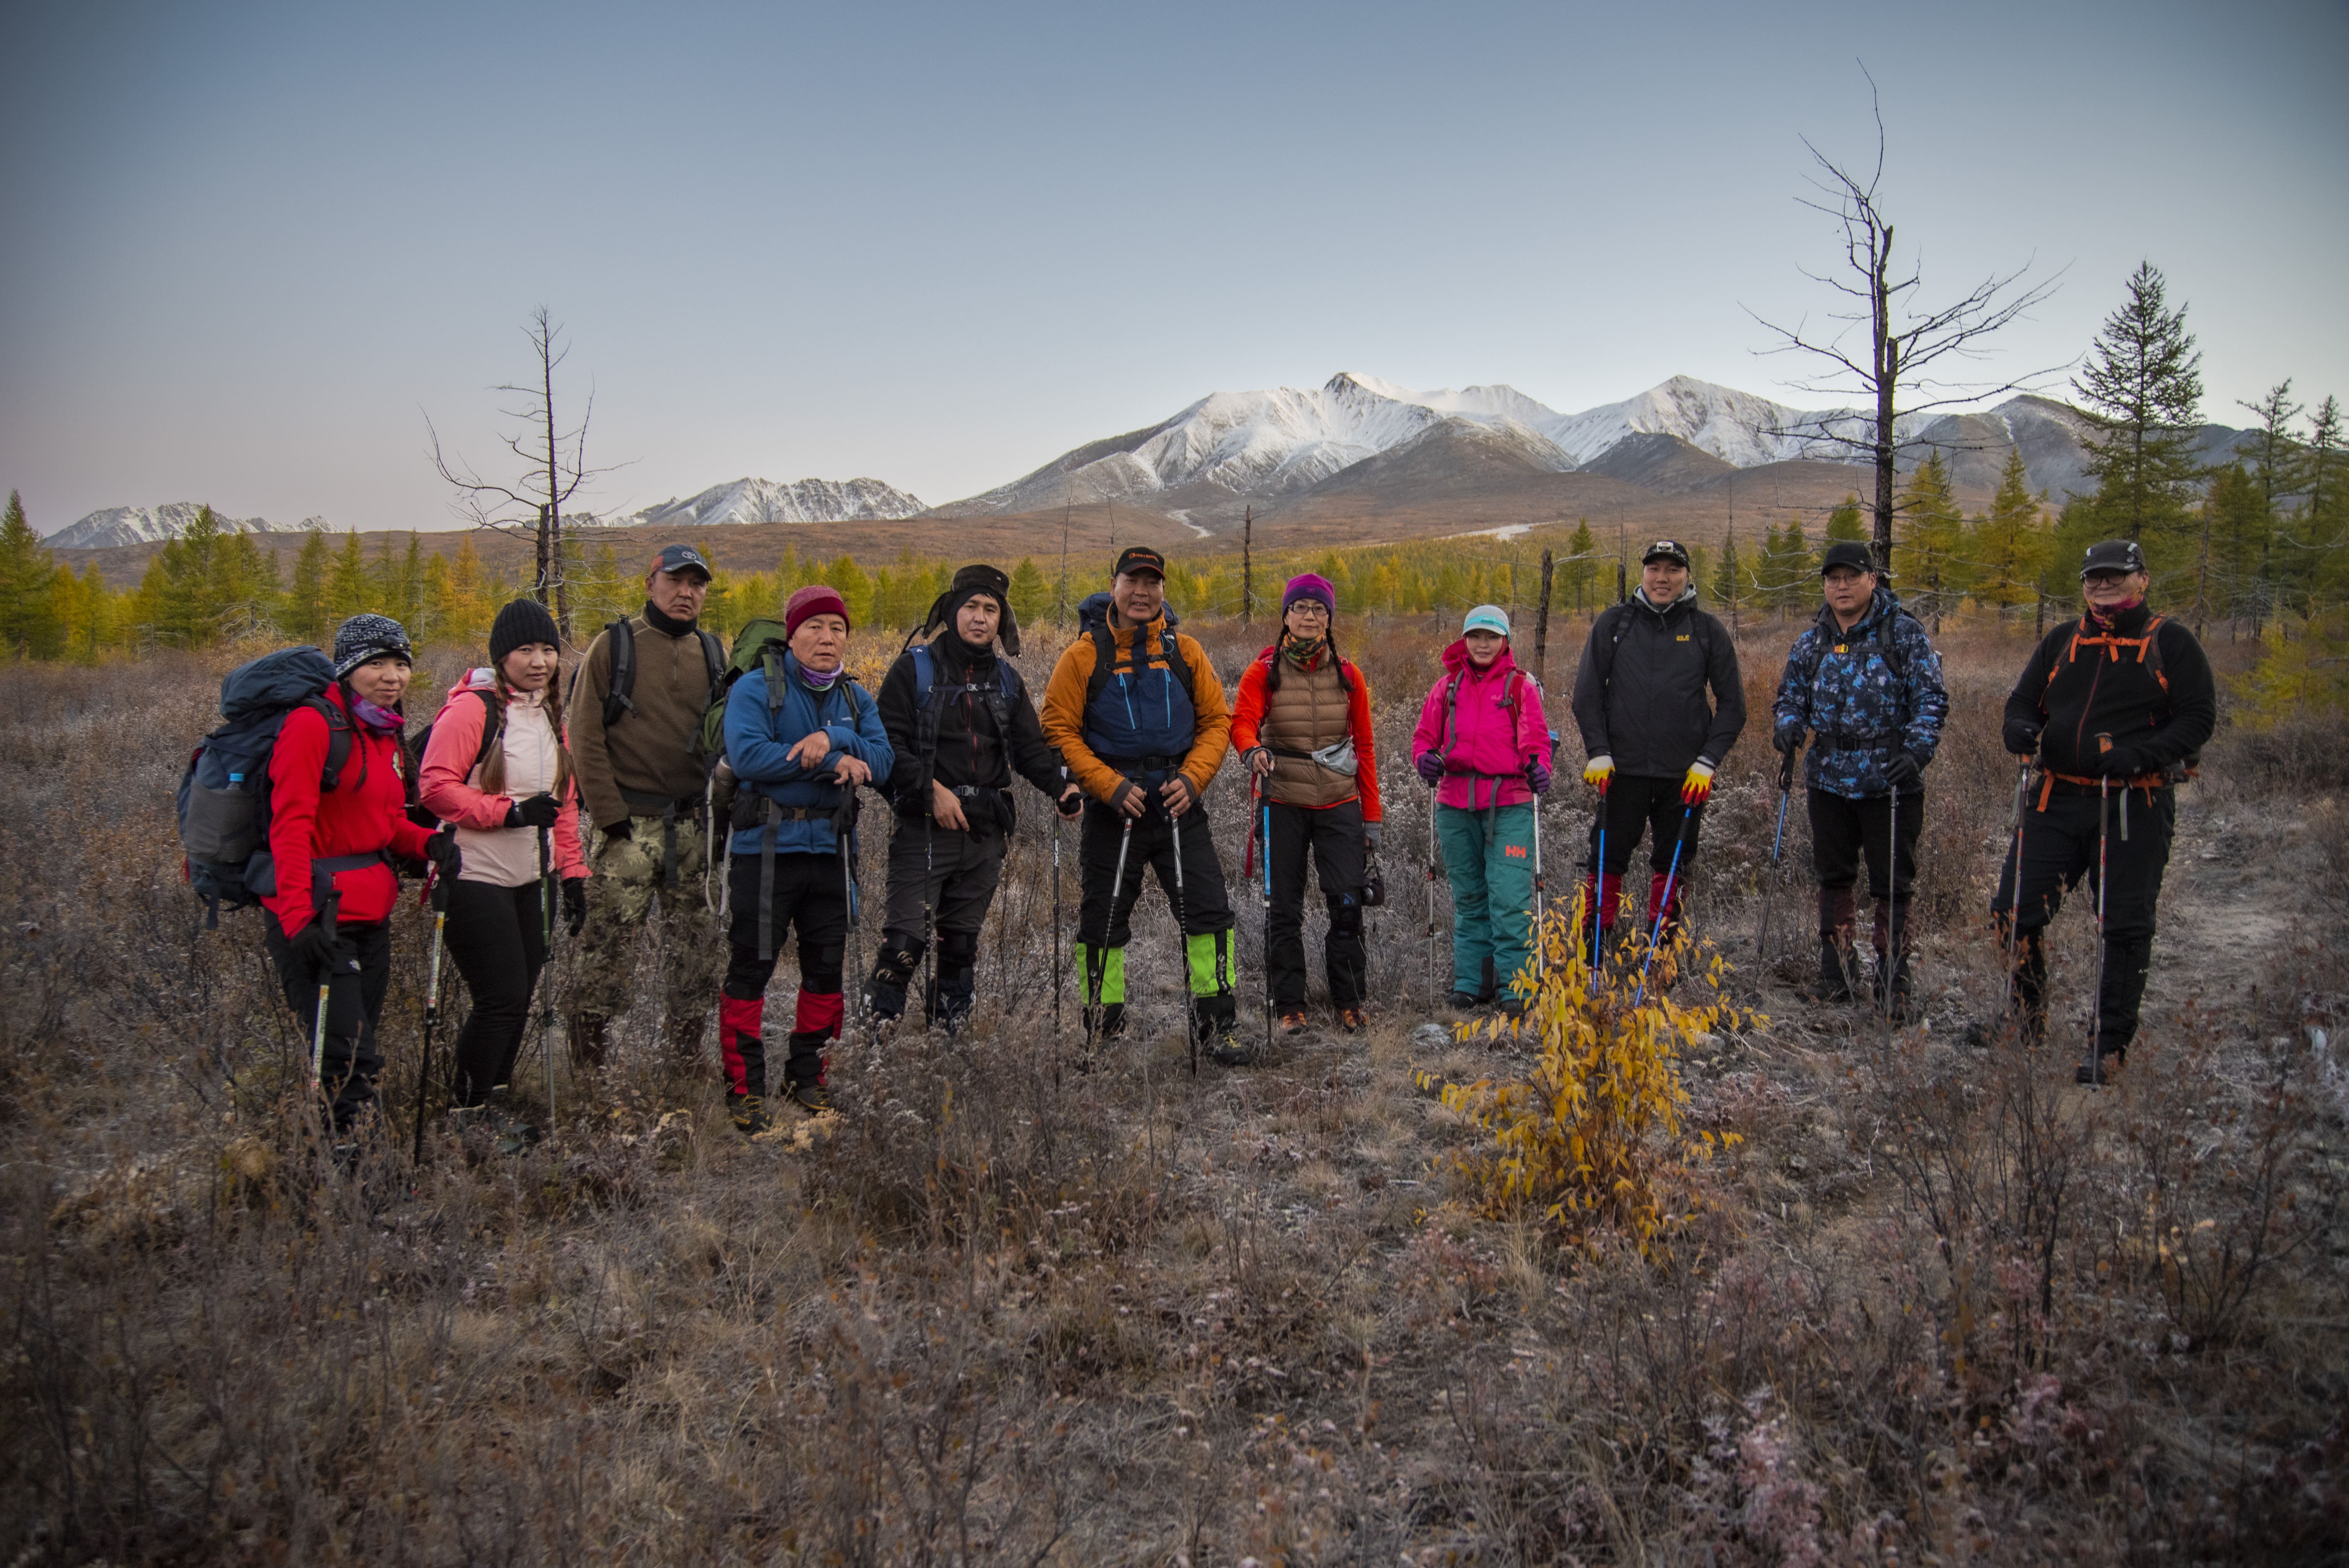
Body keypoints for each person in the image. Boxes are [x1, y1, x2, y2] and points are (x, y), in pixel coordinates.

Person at [1985, 539, 2215, 1083]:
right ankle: (2026, 1021)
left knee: (2124, 927)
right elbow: (2023, 701)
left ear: (2143, 579)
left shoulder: (2170, 642)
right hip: (2056, 799)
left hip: (2134, 802)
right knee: (2013, 911)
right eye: (2094, 577)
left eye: (2116, 575)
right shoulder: (2063, 640)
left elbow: (2198, 718)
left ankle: (2108, 1049)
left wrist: (2142, 755)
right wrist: (2018, 728)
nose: (2104, 585)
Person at [1039, 547, 1244, 1062]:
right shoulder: (1082, 656)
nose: (1142, 592)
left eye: (1153, 583)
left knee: (1210, 914)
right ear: (1114, 585)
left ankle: (1217, 1028)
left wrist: (1192, 780)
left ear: (1163, 591)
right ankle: (1103, 1031)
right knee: (1102, 922)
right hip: (1114, 811)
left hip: (1179, 805)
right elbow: (1057, 728)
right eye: (1133, 580)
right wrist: (1107, 785)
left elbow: (1217, 721)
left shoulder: (1185, 651)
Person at [262, 614, 454, 1145]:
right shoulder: (312, 725)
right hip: (319, 921)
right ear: (347, 669)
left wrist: (427, 843)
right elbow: (289, 827)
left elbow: (384, 823)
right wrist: (299, 922)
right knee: (351, 1059)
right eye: (377, 664)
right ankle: (361, 1173)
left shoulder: (382, 729)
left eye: (401, 664)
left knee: (353, 1051)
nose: (392, 677)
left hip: (370, 918)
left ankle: (333, 1156)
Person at [865, 563, 1082, 1033]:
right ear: (951, 611)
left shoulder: (1007, 680)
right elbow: (886, 743)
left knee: (960, 946)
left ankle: (949, 1042)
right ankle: (872, 1043)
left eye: (990, 609)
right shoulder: (913, 669)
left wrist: (1062, 786)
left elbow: (1029, 749)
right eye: (970, 606)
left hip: (985, 829)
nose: (980, 617)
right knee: (904, 943)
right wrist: (929, 790)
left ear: (1002, 619)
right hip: (924, 828)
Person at [716, 584, 893, 1133]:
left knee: (825, 970)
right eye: (814, 626)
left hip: (832, 852)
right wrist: (830, 762)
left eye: (837, 628)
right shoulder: (755, 688)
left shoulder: (855, 699)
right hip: (765, 850)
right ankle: (744, 1088)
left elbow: (884, 761)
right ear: (791, 636)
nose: (826, 637)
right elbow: (749, 756)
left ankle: (807, 1077)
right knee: (752, 969)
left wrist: (833, 740)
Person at [419, 598, 590, 1147]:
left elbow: (564, 802)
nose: (539, 661)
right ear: (501, 656)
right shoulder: (473, 710)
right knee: (501, 996)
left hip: (533, 876)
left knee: (519, 997)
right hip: (474, 873)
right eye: (525, 650)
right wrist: (509, 812)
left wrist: (572, 873)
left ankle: (491, 1103)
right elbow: (436, 787)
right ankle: (466, 1117)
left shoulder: (549, 712)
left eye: (548, 650)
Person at [1769, 542, 1949, 1017]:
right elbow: (1789, 697)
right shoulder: (1811, 642)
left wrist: (1916, 753)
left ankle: (1895, 982)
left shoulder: (1904, 634)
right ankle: (1838, 973)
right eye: (1833, 578)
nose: (1842, 586)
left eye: (1851, 577)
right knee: (1833, 877)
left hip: (1891, 779)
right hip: (1828, 779)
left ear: (1872, 579)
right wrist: (1788, 726)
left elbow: (1931, 699)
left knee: (1893, 884)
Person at [566, 543, 727, 1072]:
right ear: (650, 583)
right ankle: (589, 1069)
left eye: (696, 584)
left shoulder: (713, 651)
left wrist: (720, 815)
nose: (686, 592)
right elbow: (584, 734)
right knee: (606, 948)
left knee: (696, 950)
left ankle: (685, 1063)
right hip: (627, 828)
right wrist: (609, 816)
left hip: (693, 828)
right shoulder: (614, 646)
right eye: (675, 580)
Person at [1569, 540, 1746, 961]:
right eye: (1654, 569)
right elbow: (1586, 696)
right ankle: (1594, 954)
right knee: (1606, 859)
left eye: (1672, 570)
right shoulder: (1615, 624)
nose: (1662, 578)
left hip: (1685, 777)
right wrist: (1598, 751)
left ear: (1687, 576)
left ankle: (1660, 957)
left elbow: (1733, 706)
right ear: (1643, 573)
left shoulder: (1707, 630)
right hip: (1621, 771)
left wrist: (1707, 761)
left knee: (1674, 863)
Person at [1230, 572, 1382, 1034]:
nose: (1309, 616)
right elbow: (1242, 722)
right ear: (1286, 615)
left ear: (1329, 618)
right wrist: (1251, 750)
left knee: (1347, 903)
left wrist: (1371, 817)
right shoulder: (1263, 672)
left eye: (1319, 609)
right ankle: (1289, 1006)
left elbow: (1365, 747)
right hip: (1283, 800)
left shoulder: (1350, 676)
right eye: (1300, 608)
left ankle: (1350, 1001)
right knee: (1284, 909)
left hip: (1340, 802)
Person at [1411, 606, 1555, 1012]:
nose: (1483, 644)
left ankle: (1517, 987)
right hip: (1455, 804)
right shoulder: (1446, 687)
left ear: (1505, 641)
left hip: (1509, 803)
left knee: (1509, 897)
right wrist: (1424, 759)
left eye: (1492, 636)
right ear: (1465, 639)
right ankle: (1473, 983)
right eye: (1475, 636)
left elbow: (1537, 741)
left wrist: (1539, 767)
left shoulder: (1520, 687)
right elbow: (1424, 738)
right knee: (1471, 897)